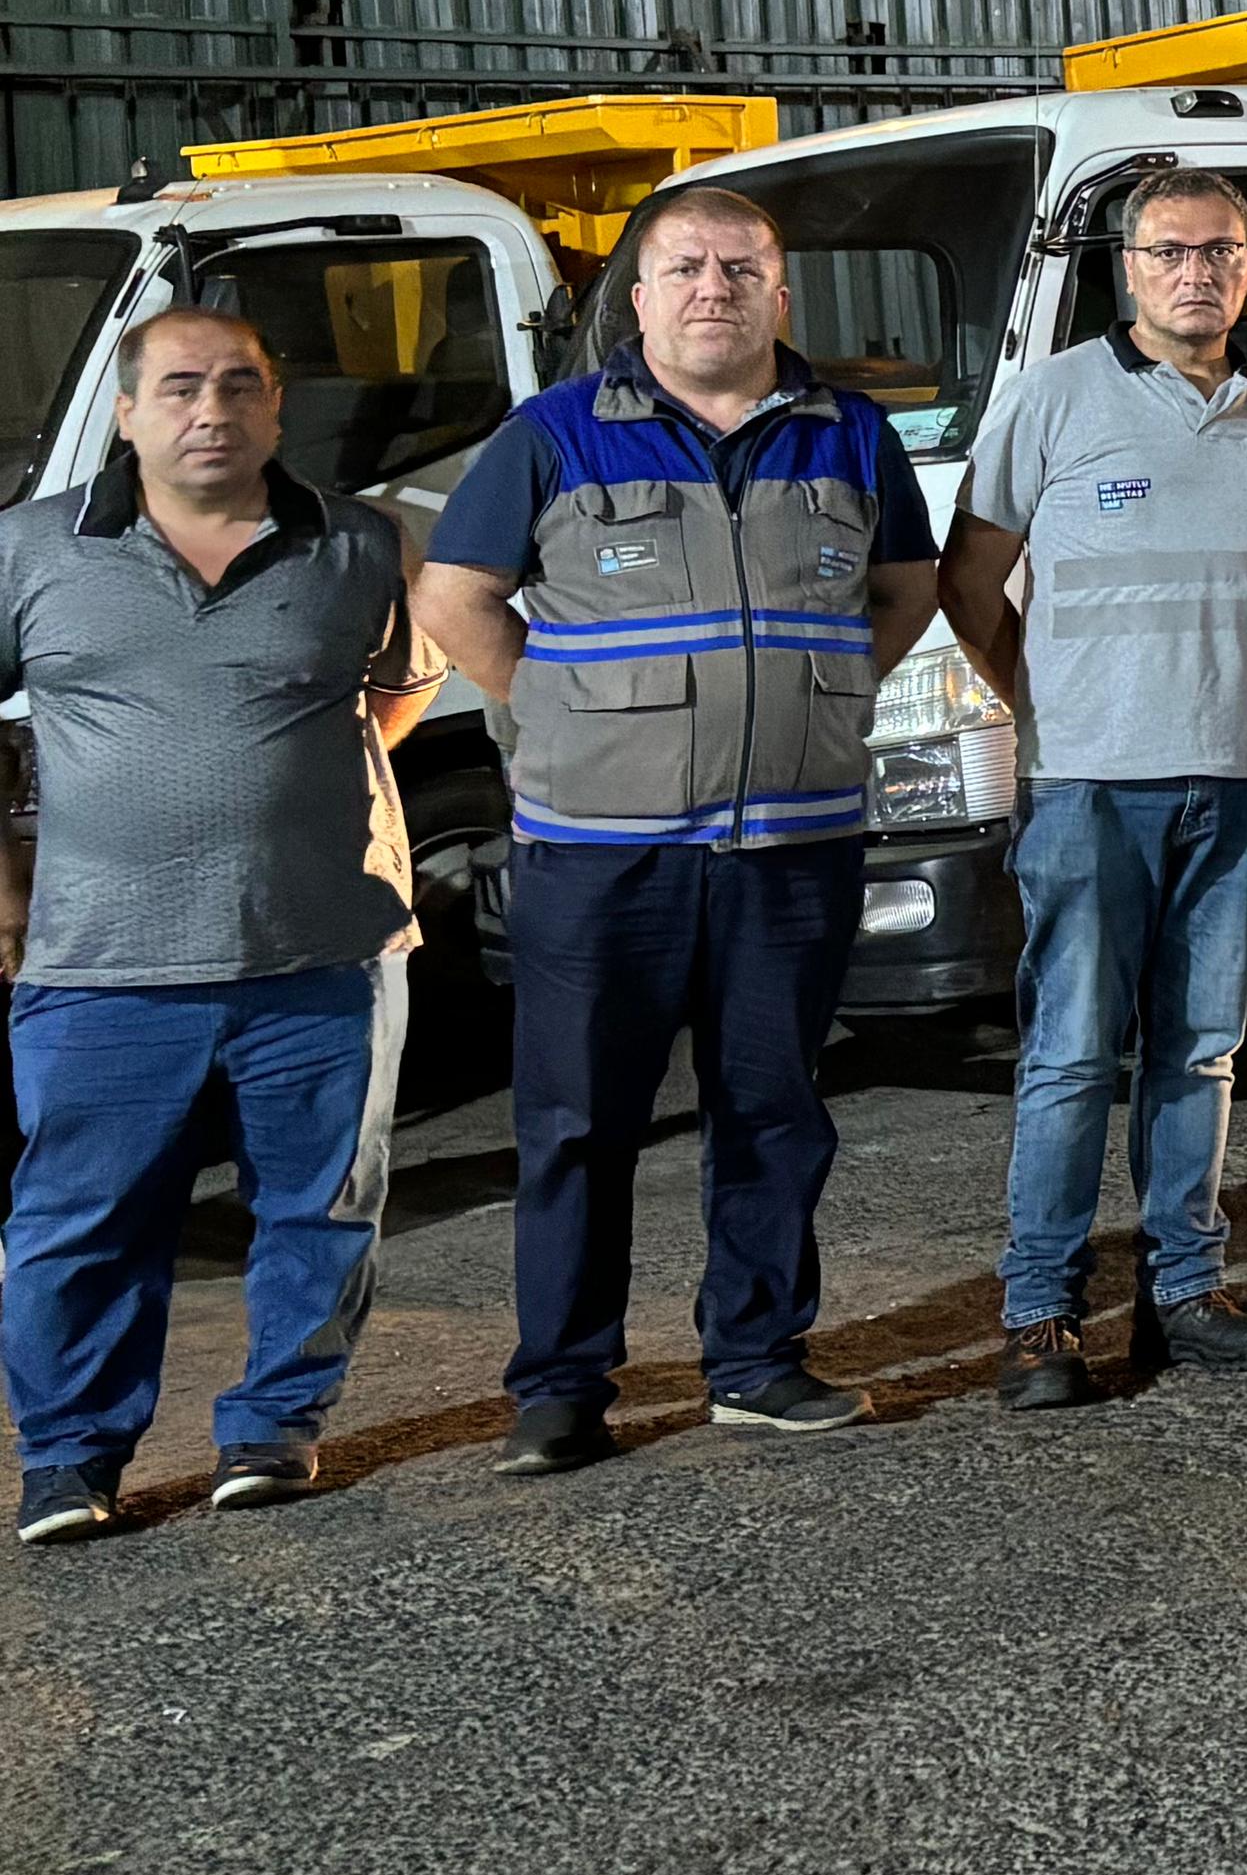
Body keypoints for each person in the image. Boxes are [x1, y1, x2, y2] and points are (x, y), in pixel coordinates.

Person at [420, 182, 941, 1471]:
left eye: (740, 267)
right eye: (687, 269)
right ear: (639, 301)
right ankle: (560, 1388)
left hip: (792, 848)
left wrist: (826, 696)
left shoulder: (851, 435)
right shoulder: (551, 435)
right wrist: (558, 711)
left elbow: (907, 588)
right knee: (576, 1123)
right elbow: (455, 594)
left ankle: (758, 1361)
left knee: (772, 1110)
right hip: (602, 856)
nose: (715, 288)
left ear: (782, 293)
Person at [6, 310, 443, 1542]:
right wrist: (4, 895)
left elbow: (399, 692)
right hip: (100, 965)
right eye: (181, 388)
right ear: (128, 414)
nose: (212, 411)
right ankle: (70, 1459)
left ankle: (273, 1434)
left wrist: (286, 793)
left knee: (321, 1206)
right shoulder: (33, 551)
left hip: (328, 953)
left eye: (239, 387)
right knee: (80, 1223)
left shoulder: (359, 543)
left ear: (276, 408)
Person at [944, 167, 1247, 1408]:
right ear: (1128, 266)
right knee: (1068, 1053)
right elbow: (968, 580)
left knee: (1202, 1051)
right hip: (1093, 786)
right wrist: (1039, 703)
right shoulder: (1052, 399)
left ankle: (1184, 1297)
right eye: (1170, 251)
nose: (1195, 272)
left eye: (1219, 251)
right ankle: (1041, 1318)